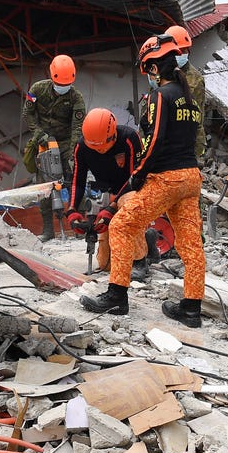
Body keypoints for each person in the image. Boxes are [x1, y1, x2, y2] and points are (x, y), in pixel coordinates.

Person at [82, 34, 206, 328]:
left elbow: (154, 141)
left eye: (147, 70)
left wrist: (137, 176)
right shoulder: (189, 99)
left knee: (122, 226)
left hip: (167, 178)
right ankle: (191, 309)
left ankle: (116, 296)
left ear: (153, 67)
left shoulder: (160, 96)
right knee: (190, 244)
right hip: (190, 178)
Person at [64, 108, 151, 280]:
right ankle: (149, 239)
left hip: (133, 190)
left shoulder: (128, 138)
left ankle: (140, 261)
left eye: (102, 146)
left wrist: (112, 207)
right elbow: (77, 181)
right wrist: (72, 210)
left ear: (112, 135)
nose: (99, 150)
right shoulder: (81, 147)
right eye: (94, 146)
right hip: (108, 193)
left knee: (128, 203)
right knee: (106, 265)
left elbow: (136, 176)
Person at [23, 54, 86, 241]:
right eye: (60, 84)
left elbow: (77, 127)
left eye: (67, 84)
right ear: (52, 77)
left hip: (66, 142)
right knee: (44, 187)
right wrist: (38, 134)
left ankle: (79, 226)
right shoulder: (37, 89)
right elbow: (28, 113)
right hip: (43, 142)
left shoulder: (76, 97)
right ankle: (48, 230)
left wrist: (73, 153)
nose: (63, 87)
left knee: (74, 182)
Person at [165, 25, 207, 163]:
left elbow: (198, 115)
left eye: (183, 50)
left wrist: (196, 146)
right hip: (164, 139)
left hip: (186, 141)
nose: (180, 54)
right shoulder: (160, 75)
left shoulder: (196, 79)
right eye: (176, 51)